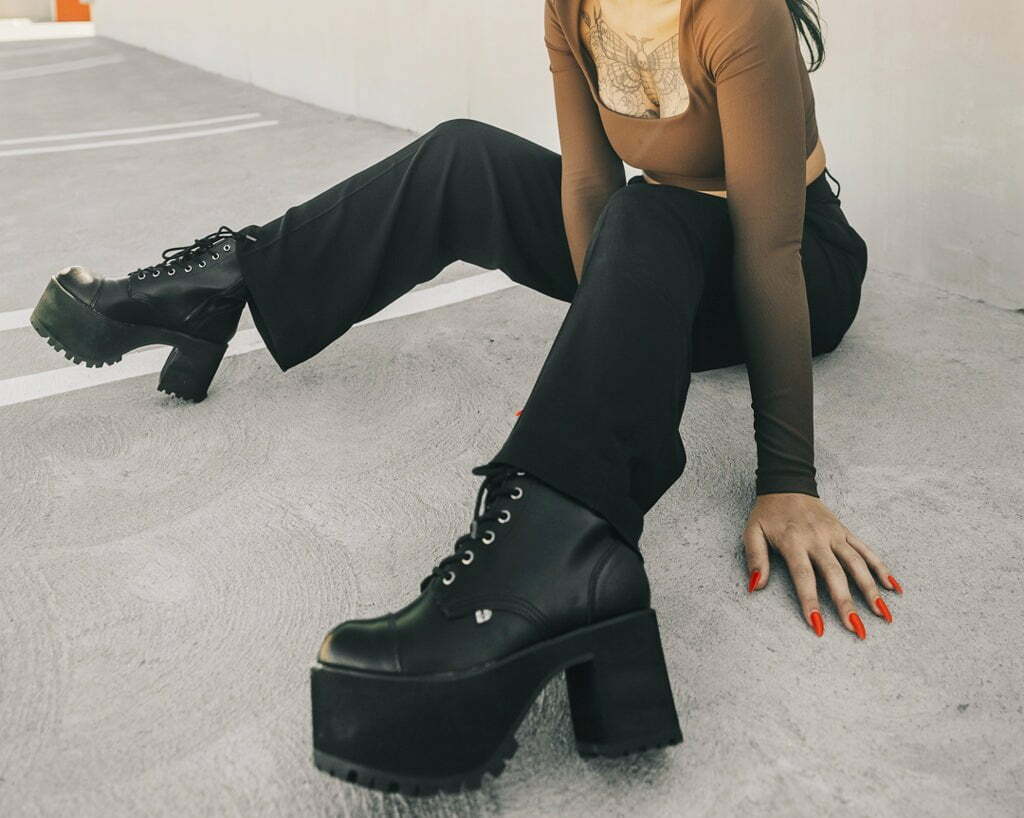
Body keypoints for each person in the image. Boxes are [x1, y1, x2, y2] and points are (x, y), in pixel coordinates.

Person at [29, 0, 903, 796]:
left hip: (797, 265)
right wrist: (592, 366)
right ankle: (219, 288)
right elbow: (589, 189)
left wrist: (789, 481)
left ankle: (555, 563)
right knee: (464, 155)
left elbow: (771, 249)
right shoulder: (574, 7)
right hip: (657, 249)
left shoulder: (736, 14)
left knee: (648, 215)